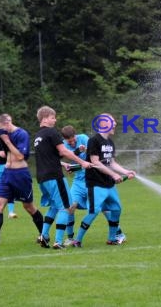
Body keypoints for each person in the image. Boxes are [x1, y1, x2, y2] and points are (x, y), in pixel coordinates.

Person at [0, 114, 45, 246]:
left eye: (1, 128)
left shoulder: (22, 134)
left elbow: (20, 156)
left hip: (20, 175)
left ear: (8, 123)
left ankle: (43, 235)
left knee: (28, 207)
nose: (0, 132)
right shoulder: (2, 134)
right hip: (7, 174)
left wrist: (7, 140)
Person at [71, 114, 135, 247]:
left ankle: (112, 238)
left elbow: (112, 162)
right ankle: (77, 240)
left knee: (116, 209)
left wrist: (125, 171)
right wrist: (113, 175)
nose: (115, 124)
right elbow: (95, 162)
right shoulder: (94, 140)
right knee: (93, 211)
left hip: (109, 185)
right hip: (96, 184)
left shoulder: (110, 142)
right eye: (112, 122)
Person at [34, 106, 92, 249]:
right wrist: (82, 162)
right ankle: (58, 242)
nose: (55, 120)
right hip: (54, 176)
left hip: (42, 178)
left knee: (54, 206)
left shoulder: (38, 136)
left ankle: (44, 236)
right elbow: (63, 151)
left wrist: (64, 163)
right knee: (66, 207)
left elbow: (51, 156)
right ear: (46, 117)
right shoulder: (51, 132)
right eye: (53, 117)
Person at [60, 125, 127, 245]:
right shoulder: (63, 145)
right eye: (69, 141)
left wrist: (86, 151)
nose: (73, 142)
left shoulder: (85, 138)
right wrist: (68, 165)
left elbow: (95, 155)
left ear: (76, 135)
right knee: (71, 207)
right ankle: (70, 238)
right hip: (79, 181)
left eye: (74, 139)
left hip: (93, 179)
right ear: (64, 140)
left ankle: (119, 233)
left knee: (104, 209)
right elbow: (62, 158)